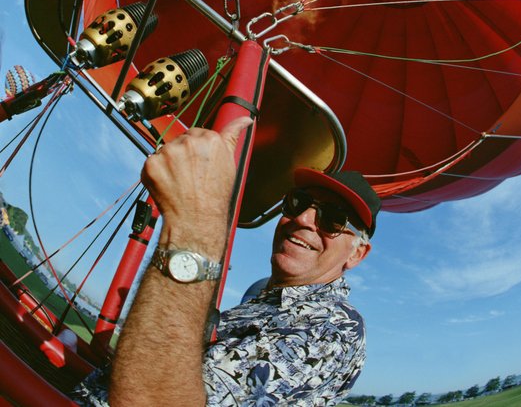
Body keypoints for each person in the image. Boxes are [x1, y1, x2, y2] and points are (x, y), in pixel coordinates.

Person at [71, 117, 381, 406]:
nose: (302, 218)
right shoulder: (269, 304)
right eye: (298, 202)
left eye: (333, 219)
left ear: (356, 253)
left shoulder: (333, 329)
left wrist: (193, 223)